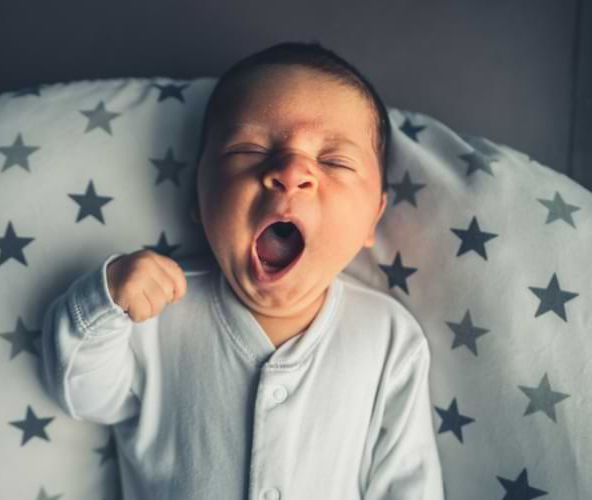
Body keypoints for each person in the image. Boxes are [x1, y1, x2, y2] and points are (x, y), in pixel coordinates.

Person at [41, 41, 445, 499]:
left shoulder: (387, 338)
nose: (292, 172)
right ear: (198, 197)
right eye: (250, 149)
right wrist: (105, 301)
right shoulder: (156, 312)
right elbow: (81, 395)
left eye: (333, 160)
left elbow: (409, 483)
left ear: (373, 217)